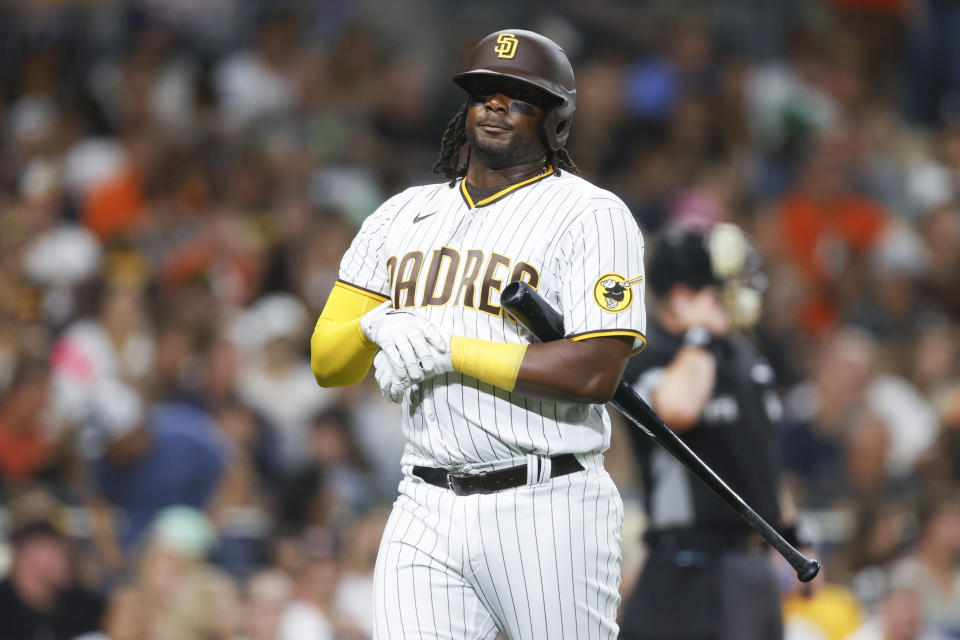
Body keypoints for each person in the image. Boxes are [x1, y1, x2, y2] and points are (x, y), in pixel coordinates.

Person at [310, 28, 646, 639]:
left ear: (555, 121)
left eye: (519, 97)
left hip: (548, 501)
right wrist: (372, 323)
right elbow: (329, 363)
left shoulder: (592, 214)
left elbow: (596, 371)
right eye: (485, 92)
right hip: (425, 499)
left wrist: (450, 352)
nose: (496, 105)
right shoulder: (400, 215)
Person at [618, 224, 787, 640]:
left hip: (754, 564)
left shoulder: (738, 350)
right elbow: (678, 409)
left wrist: (794, 536)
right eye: (720, 289)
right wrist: (701, 333)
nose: (736, 297)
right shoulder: (647, 354)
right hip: (689, 566)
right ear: (684, 296)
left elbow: (762, 456)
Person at [0, 518, 105, 640]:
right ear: (27, 555)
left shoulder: (85, 606)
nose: (67, 560)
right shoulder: (5, 608)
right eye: (56, 552)